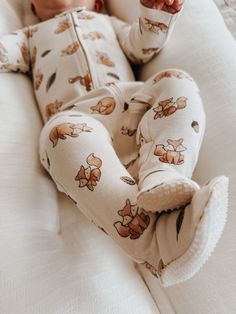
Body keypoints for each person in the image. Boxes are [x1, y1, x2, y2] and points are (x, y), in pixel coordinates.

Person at [0, 0, 228, 287]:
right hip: (78, 125)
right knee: (55, 134)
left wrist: (156, 12)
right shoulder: (29, 37)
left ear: (96, 3)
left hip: (135, 109)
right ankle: (157, 245)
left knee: (176, 80)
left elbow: (142, 45)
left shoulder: (108, 23)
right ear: (33, 6)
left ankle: (163, 174)